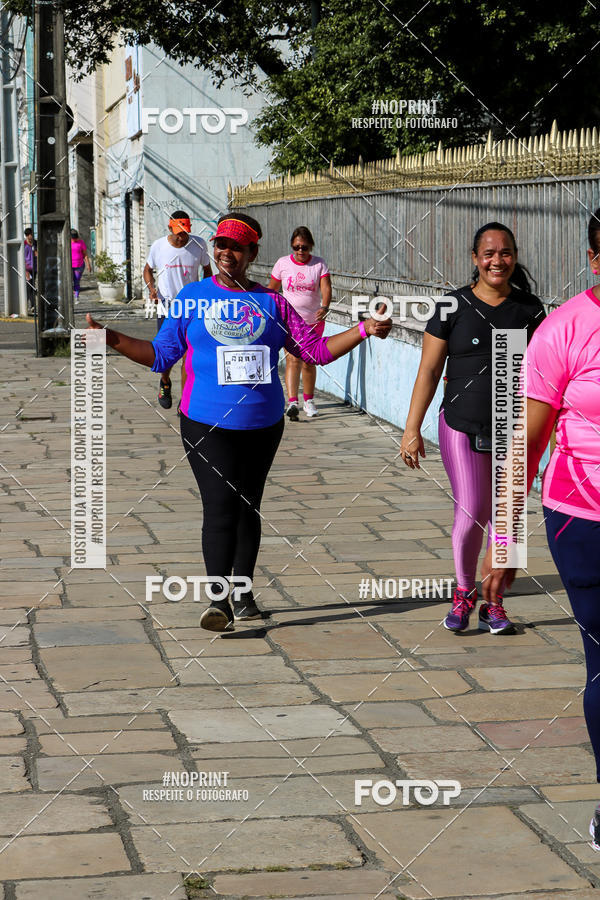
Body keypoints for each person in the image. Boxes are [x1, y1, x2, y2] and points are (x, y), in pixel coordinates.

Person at [87, 212, 391, 632]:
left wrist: (364, 329)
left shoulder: (273, 303)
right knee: (220, 506)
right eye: (220, 245)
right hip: (205, 423)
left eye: (236, 246)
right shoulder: (192, 297)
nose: (226, 252)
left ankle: (244, 594)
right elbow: (161, 355)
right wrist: (112, 337)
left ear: (252, 253)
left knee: (249, 505)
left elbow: (315, 351)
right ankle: (219, 601)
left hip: (263, 424)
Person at [482, 210, 600, 849]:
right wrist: (504, 542)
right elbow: (524, 443)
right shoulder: (563, 330)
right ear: (593, 261)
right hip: (584, 519)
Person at [400, 222, 545, 634]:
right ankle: (464, 593)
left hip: (513, 427)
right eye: (489, 253)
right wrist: (411, 428)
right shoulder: (452, 307)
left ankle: (494, 603)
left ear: (514, 257)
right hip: (461, 426)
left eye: (505, 252)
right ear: (474, 258)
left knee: (508, 519)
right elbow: (428, 371)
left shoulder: (530, 310)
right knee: (471, 511)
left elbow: (542, 378)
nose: (497, 260)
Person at [144, 211, 212, 410]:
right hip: (167, 307)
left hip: (191, 308)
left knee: (189, 354)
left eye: (185, 232)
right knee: (167, 352)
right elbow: (147, 269)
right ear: (170, 229)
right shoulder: (159, 246)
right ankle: (165, 382)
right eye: (178, 233)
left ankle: (186, 397)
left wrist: (205, 291)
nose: (182, 237)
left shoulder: (199, 244)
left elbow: (207, 270)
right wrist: (152, 290)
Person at [268, 227, 331, 419]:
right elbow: (272, 290)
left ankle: (309, 400)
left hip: (313, 321)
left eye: (304, 247)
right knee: (293, 360)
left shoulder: (319, 264)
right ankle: (293, 402)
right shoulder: (282, 263)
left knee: (309, 362)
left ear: (310, 246)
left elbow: (326, 287)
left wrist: (325, 306)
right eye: (296, 247)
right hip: (290, 323)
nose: (300, 251)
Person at [71, 229, 91, 301]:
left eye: (76, 238)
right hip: (70, 266)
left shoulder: (81, 243)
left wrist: (88, 264)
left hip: (79, 265)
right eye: (73, 238)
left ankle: (76, 297)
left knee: (76, 281)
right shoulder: (67, 243)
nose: (75, 239)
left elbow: (85, 254)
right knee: (70, 281)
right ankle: (70, 296)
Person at [24, 228, 37, 314]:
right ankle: (31, 306)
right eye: (31, 234)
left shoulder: (35, 243)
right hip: (27, 269)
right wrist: (25, 271)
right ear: (27, 235)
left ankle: (31, 306)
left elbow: (37, 253)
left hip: (35, 268)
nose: (32, 236)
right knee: (30, 287)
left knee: (31, 287)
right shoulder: (24, 244)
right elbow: (22, 258)